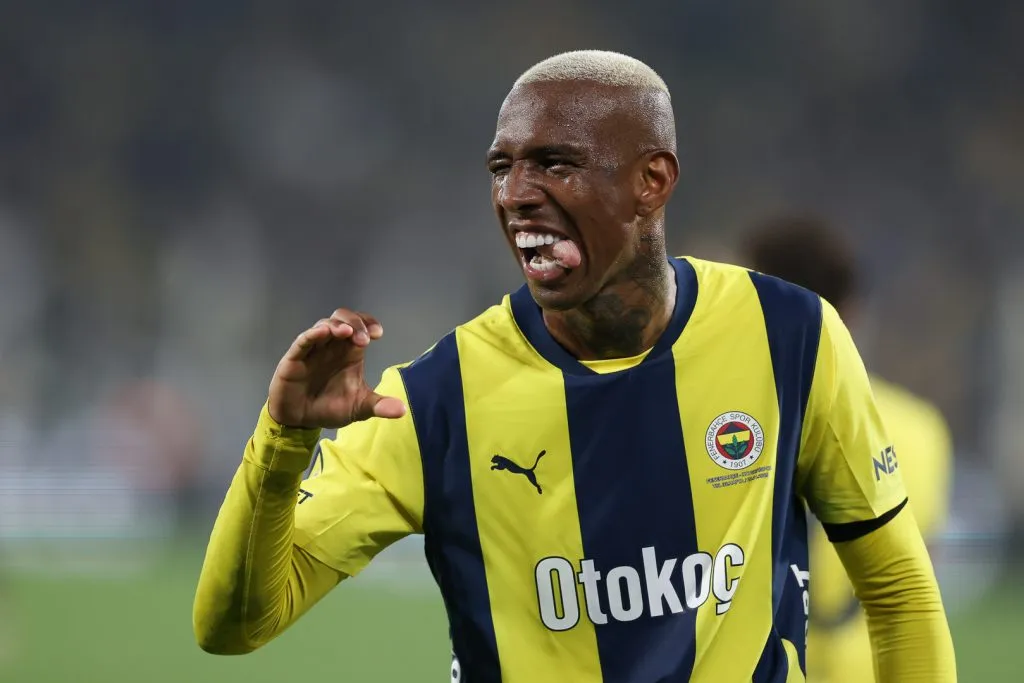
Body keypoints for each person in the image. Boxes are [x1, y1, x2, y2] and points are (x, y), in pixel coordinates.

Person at [192, 50, 956, 682]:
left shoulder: (789, 334)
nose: (517, 195)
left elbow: (898, 593)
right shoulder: (431, 401)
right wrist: (284, 439)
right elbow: (233, 627)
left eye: (555, 164)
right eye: (502, 167)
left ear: (651, 181)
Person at [740, 213, 955, 683]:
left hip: (767, 661)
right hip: (878, 662)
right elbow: (921, 580)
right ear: (852, 310)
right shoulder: (922, 428)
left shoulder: (733, 424)